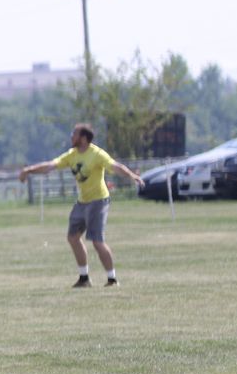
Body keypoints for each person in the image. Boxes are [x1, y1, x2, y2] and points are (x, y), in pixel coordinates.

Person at [19, 123, 144, 287]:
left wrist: (132, 176)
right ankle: (84, 278)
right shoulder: (72, 155)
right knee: (73, 237)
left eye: (75, 133)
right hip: (82, 202)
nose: (72, 136)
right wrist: (28, 170)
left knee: (97, 241)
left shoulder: (97, 154)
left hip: (98, 201)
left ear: (83, 138)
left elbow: (115, 166)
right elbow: (50, 166)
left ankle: (112, 279)